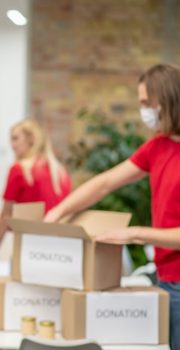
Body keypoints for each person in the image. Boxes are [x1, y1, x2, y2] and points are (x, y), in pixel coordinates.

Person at [44, 64, 180, 350]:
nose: (143, 110)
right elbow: (105, 183)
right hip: (165, 278)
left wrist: (134, 234)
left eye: (146, 103)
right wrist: (58, 212)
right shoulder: (158, 147)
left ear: (167, 99)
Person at [0, 119, 71, 266]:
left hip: (30, 249)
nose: (11, 145)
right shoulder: (60, 172)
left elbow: (5, 216)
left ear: (31, 139)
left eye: (15, 138)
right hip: (61, 250)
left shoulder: (20, 170)